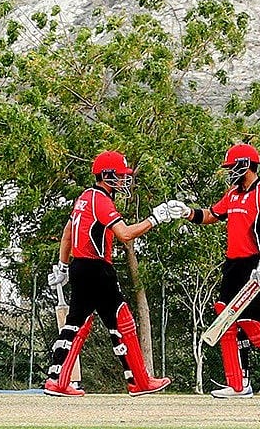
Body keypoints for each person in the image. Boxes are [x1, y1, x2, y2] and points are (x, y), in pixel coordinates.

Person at [167, 142, 260, 398]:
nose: (230, 172)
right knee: (224, 318)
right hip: (233, 265)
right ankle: (238, 384)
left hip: (255, 264)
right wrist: (187, 212)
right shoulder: (233, 194)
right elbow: (212, 215)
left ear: (245, 165)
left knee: (255, 327)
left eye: (232, 167)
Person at [42, 150, 175, 397]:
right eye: (120, 176)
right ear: (106, 175)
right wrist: (156, 218)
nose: (124, 181)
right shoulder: (101, 200)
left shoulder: (84, 197)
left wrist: (63, 266)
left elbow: (68, 232)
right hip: (97, 269)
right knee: (122, 321)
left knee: (78, 323)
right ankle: (140, 381)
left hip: (80, 267)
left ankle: (57, 380)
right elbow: (125, 234)